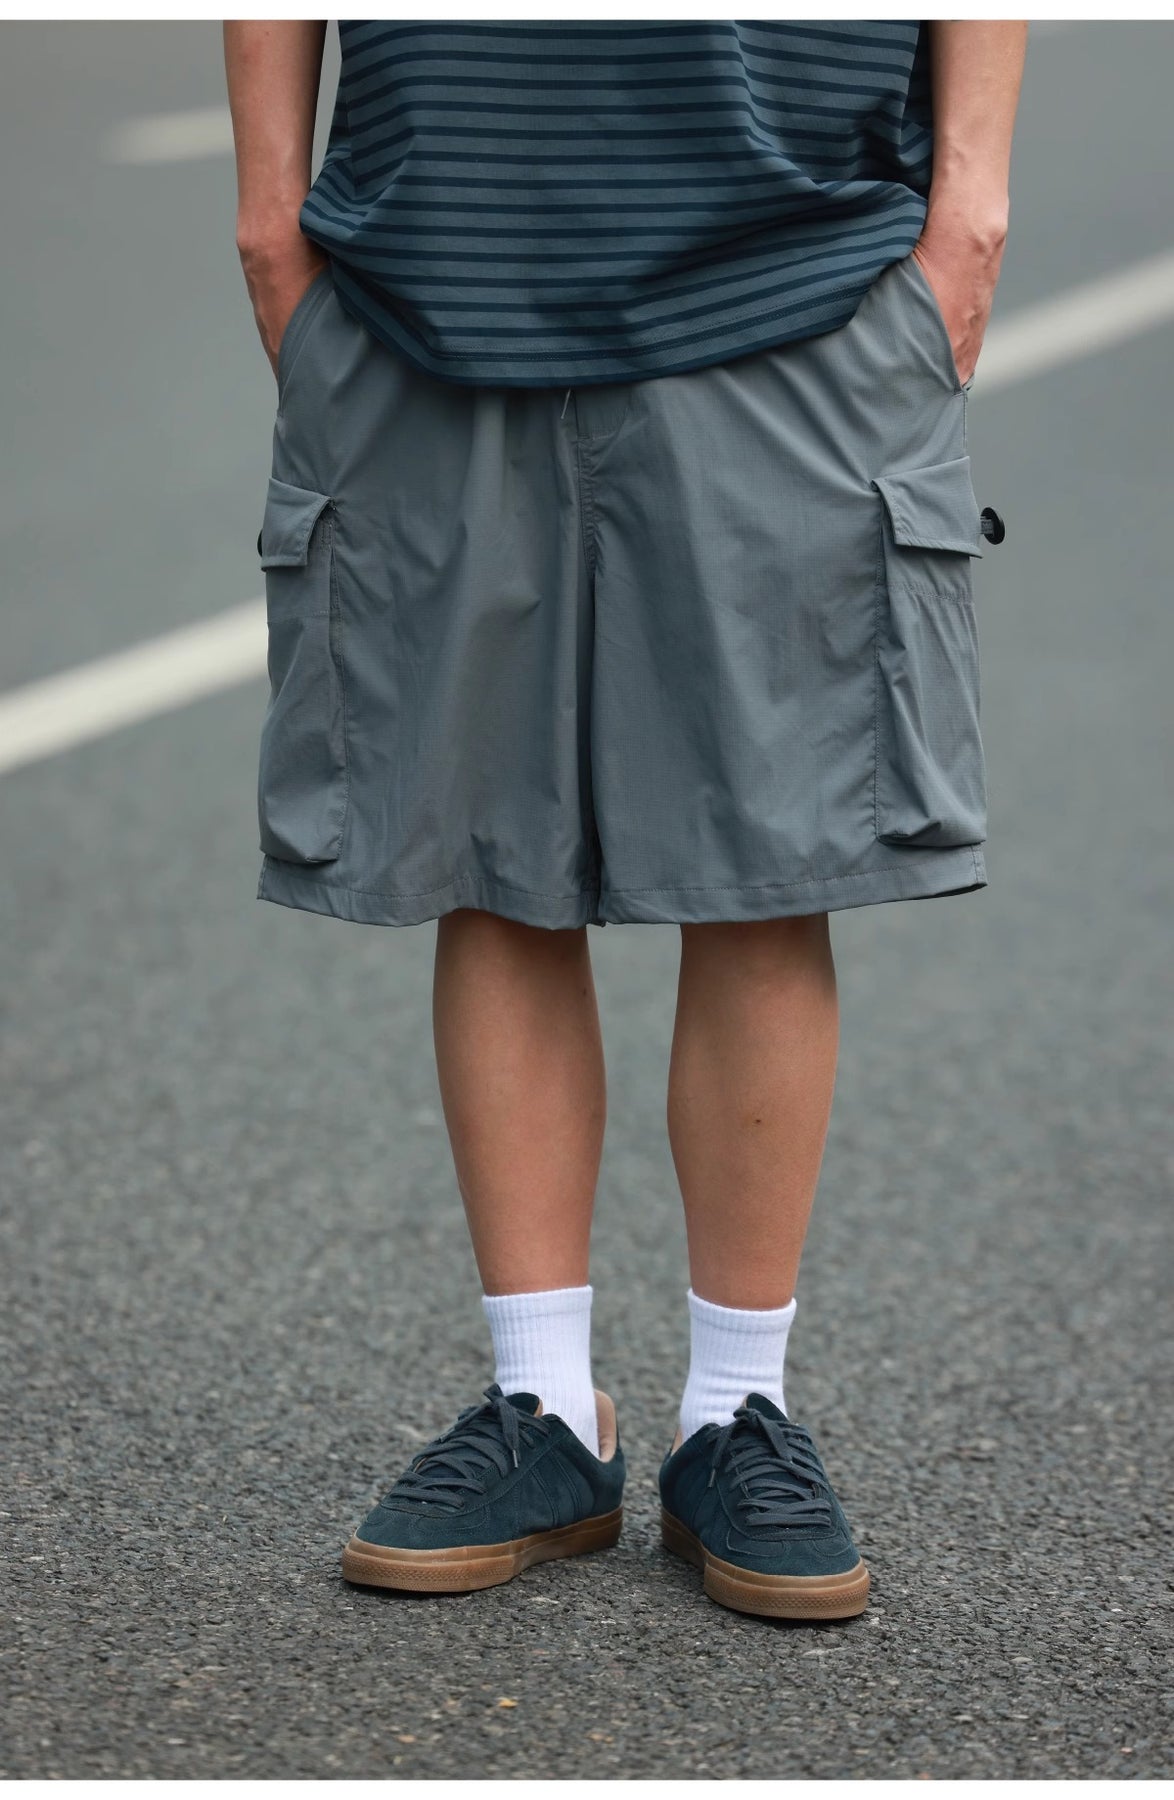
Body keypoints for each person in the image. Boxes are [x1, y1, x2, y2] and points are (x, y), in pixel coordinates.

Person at [224, 19, 1025, 1619]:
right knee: (485, 856)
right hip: (426, 271)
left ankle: (737, 1413)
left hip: (796, 264)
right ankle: (542, 1409)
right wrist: (268, 216)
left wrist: (968, 210)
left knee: (765, 864)